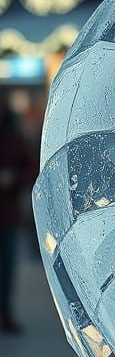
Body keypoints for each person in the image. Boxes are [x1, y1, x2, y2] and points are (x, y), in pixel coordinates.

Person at [0, 89, 36, 334]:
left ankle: (5, 313)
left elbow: (30, 168)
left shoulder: (12, 137)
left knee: (6, 269)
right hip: (9, 213)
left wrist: (13, 179)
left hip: (7, 214)